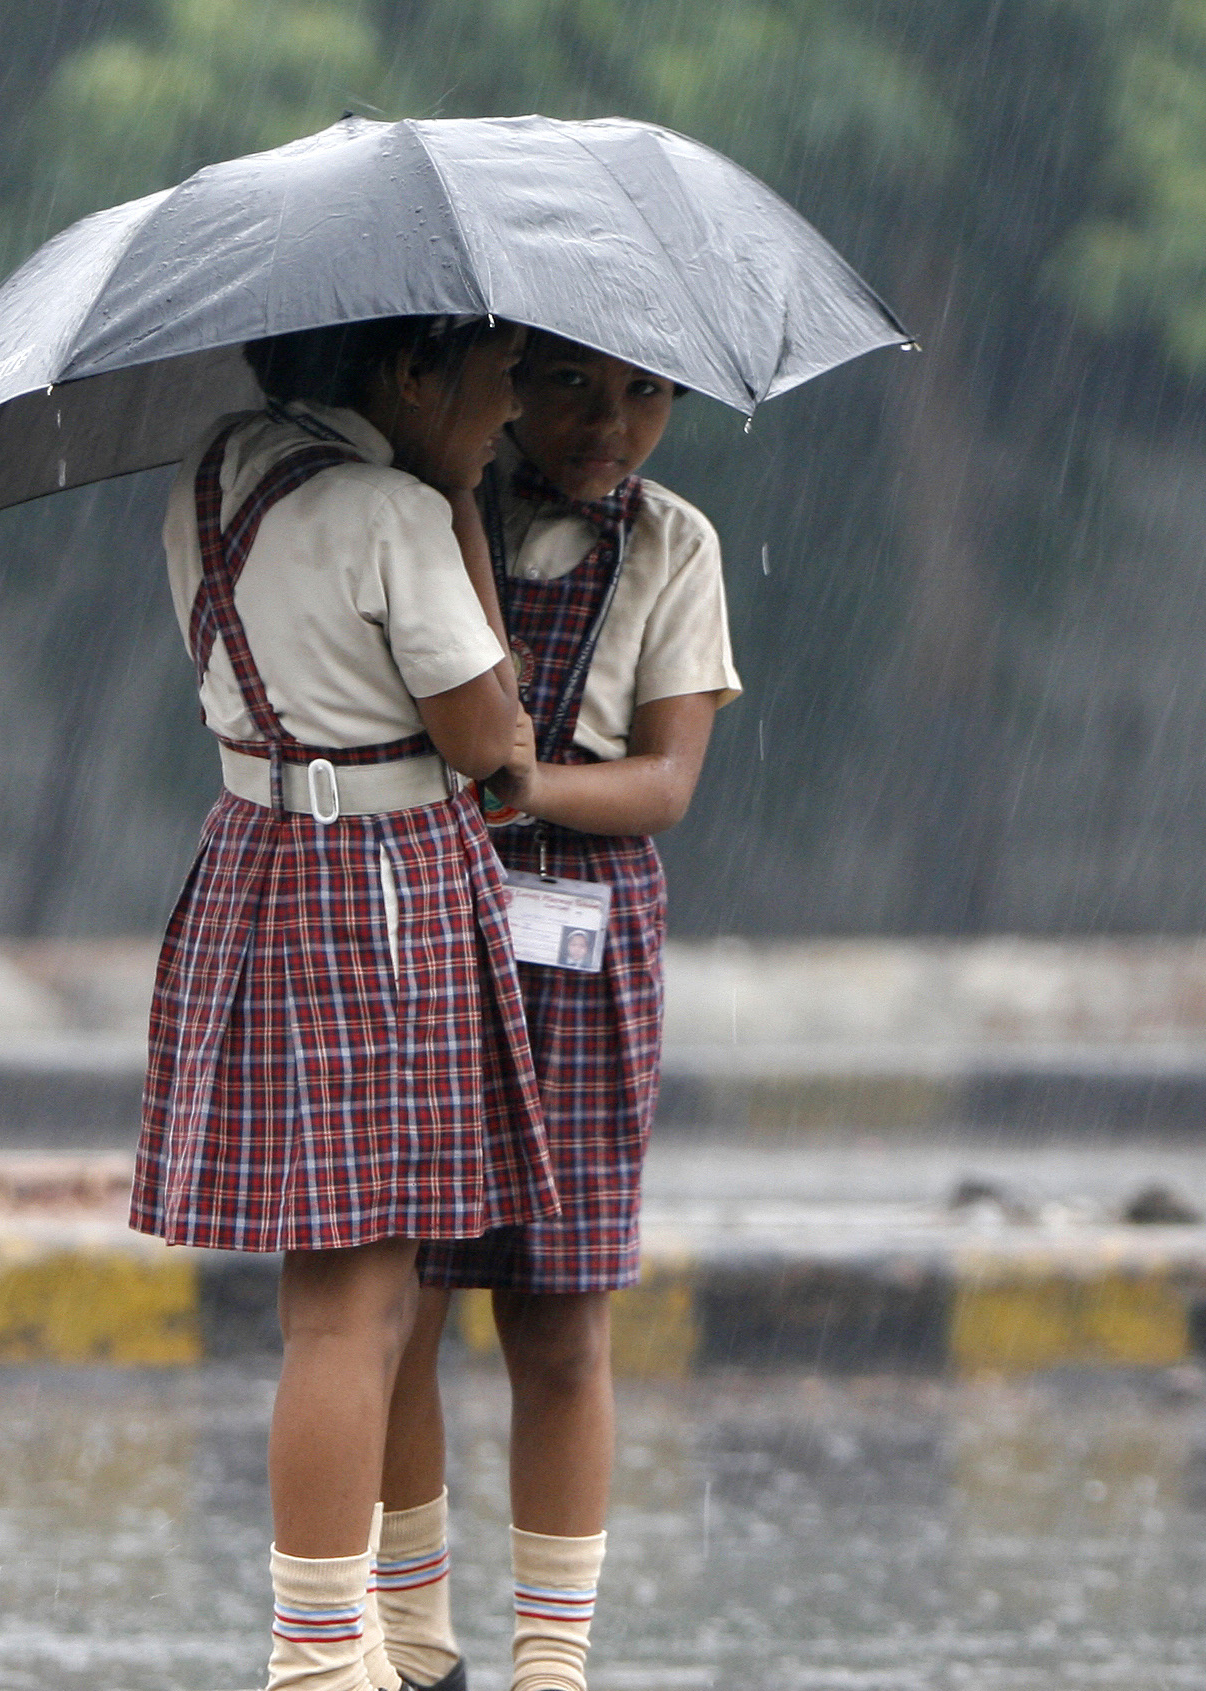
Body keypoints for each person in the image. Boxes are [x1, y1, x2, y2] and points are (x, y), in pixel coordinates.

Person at [130, 314, 556, 1691]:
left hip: (262, 859)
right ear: (410, 370)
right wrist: (453, 523)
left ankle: (399, 1636)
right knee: (351, 1310)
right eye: (495, 383)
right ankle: (319, 1660)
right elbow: (492, 742)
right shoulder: (387, 510)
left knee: (371, 1301)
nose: (509, 417)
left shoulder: (212, 476)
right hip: (376, 886)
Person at [371, 334, 740, 1691]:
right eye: (579, 386)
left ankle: (552, 1663)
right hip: (427, 913)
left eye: (646, 395)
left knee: (560, 1313)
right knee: (398, 1297)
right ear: (511, 385)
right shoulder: (427, 513)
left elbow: (664, 782)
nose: (613, 423)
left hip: (586, 932)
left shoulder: (675, 548)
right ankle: (416, 1646)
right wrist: (460, 508)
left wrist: (529, 791)